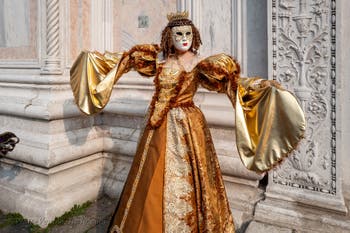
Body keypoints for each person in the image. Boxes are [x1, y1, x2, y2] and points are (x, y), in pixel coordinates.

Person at [70, 11, 305, 233]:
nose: (183, 38)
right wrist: (96, 61)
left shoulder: (201, 64)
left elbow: (232, 85)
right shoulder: (158, 60)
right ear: (168, 38)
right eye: (178, 34)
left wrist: (261, 90)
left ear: (194, 36)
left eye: (188, 34)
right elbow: (124, 60)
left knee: (193, 179)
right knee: (150, 173)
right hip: (156, 129)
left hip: (187, 126)